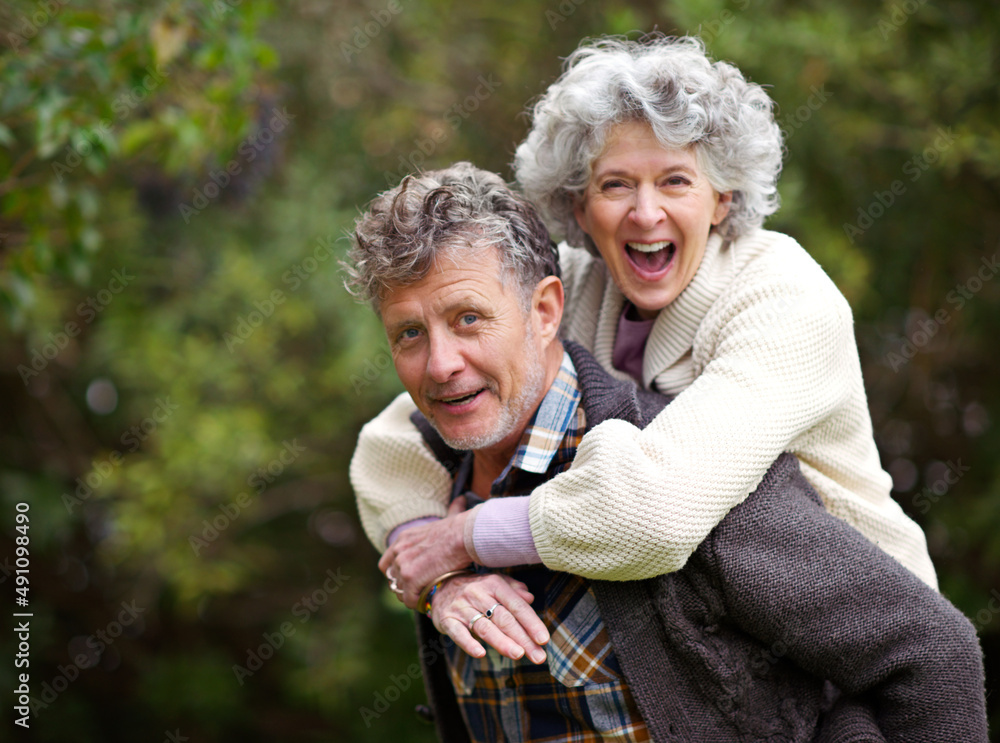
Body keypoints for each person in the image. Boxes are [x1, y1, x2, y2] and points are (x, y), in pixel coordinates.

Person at [343, 162, 987, 742]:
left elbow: (934, 652)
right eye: (409, 334)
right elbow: (382, 453)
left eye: (468, 319)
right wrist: (444, 571)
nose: (442, 365)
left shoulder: (692, 479)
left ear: (544, 312)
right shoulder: (438, 475)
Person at [351, 35, 939, 612]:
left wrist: (462, 536)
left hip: (865, 632)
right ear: (578, 206)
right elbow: (396, 440)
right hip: (728, 635)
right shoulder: (574, 285)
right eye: (616, 185)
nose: (646, 212)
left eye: (676, 180)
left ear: (722, 200)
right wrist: (427, 556)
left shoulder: (783, 296)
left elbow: (657, 513)